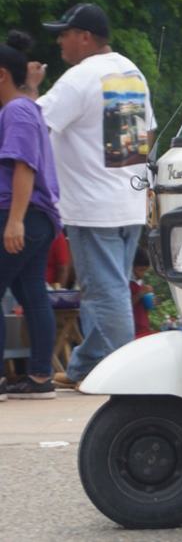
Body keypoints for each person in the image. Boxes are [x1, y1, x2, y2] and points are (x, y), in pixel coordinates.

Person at [31, 3, 155, 389]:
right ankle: (85, 366)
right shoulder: (131, 71)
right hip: (129, 200)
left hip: (92, 205)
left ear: (85, 37)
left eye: (65, 33)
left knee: (106, 292)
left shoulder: (79, 78)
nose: (59, 41)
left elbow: (33, 123)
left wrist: (30, 89)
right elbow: (146, 135)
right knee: (112, 286)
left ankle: (131, 376)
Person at [0, 31, 62, 399]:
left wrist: (15, 220)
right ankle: (39, 377)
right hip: (34, 215)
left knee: (29, 293)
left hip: (20, 212)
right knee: (31, 292)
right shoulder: (24, 107)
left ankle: (38, 375)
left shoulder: (17, 111)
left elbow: (24, 166)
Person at [130, 247, 155, 339]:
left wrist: (151, 301)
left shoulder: (139, 283)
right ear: (131, 267)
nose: (142, 274)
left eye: (145, 270)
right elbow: (125, 305)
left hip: (143, 328)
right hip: (133, 330)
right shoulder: (126, 285)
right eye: (140, 270)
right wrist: (140, 294)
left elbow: (144, 307)